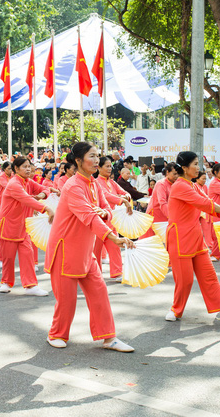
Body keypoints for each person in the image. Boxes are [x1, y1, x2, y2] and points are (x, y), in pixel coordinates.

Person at [45, 142, 136, 351]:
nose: (96, 161)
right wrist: (113, 238)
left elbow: (105, 210)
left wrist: (104, 213)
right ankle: (56, 334)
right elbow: (88, 216)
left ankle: (108, 337)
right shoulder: (72, 186)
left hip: (85, 250)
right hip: (65, 249)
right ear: (78, 161)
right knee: (66, 300)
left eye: (98, 156)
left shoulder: (94, 184)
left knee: (99, 291)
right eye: (92, 156)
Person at [164, 151, 220, 328]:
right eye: (195, 164)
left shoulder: (193, 185)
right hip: (179, 238)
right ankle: (176, 309)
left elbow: (207, 202)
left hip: (195, 237)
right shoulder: (180, 186)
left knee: (209, 276)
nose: (198, 167)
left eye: (198, 164)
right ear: (185, 168)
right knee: (185, 280)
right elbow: (202, 203)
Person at [0, 156, 55, 295]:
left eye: (29, 166)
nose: (28, 169)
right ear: (16, 169)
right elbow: (26, 199)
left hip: (24, 225)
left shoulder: (28, 182)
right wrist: (46, 208)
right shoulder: (14, 184)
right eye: (24, 167)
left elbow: (45, 188)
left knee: (27, 255)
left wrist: (41, 194)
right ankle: (6, 282)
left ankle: (30, 286)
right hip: (9, 225)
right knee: (8, 257)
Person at [94, 156, 132, 280]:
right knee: (96, 250)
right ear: (99, 168)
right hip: (98, 220)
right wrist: (122, 200)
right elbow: (106, 196)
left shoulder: (112, 182)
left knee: (114, 247)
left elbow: (123, 191)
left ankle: (117, 273)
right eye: (107, 166)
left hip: (111, 219)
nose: (110, 169)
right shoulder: (97, 182)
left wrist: (127, 196)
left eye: (111, 166)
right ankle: (95, 274)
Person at [143, 163, 178, 237]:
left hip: (166, 216)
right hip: (155, 215)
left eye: (178, 174)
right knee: (151, 241)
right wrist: (171, 217)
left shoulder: (175, 184)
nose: (176, 176)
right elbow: (162, 202)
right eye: (174, 174)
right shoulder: (161, 184)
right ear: (167, 172)